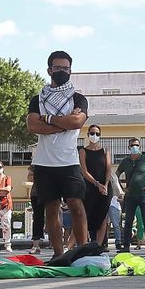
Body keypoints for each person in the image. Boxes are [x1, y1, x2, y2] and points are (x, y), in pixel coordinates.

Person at [27, 50, 90, 254]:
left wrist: (48, 119)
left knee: (76, 205)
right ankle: (58, 254)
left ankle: (81, 251)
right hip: (44, 163)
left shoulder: (78, 99)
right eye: (58, 68)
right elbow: (33, 126)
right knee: (51, 210)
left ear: (71, 71)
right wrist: (64, 123)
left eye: (66, 68)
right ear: (49, 70)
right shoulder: (38, 99)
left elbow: (77, 121)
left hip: (69, 162)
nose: (62, 71)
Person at [116, 136, 145, 254]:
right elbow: (116, 175)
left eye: (137, 145)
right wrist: (122, 189)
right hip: (130, 196)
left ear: (140, 147)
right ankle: (126, 246)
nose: (135, 147)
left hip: (144, 195)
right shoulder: (125, 161)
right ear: (128, 147)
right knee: (128, 221)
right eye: (133, 145)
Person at [0, 161, 13, 250]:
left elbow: (7, 189)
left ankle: (7, 244)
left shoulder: (7, 178)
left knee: (6, 225)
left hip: (6, 205)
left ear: (3, 168)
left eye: (0, 167)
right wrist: (1, 190)